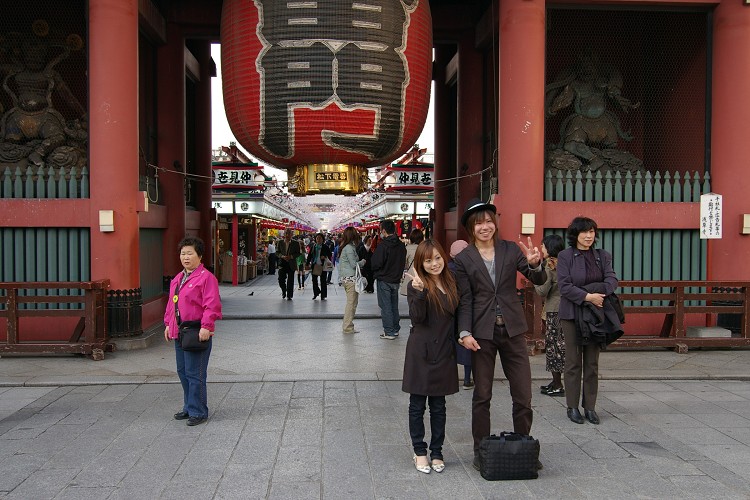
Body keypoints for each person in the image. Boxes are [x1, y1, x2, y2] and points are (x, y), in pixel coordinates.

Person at [453, 198, 547, 471]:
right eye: (479, 223)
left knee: (523, 394)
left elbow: (537, 280)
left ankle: (524, 445)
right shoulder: (464, 259)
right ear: (471, 227)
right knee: (482, 394)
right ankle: (480, 449)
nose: (485, 227)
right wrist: (464, 332)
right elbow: (465, 300)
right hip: (481, 334)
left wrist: (535, 265)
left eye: (489, 221)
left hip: (513, 330)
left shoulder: (510, 250)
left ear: (495, 223)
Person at [557, 217, 622, 425]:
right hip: (572, 314)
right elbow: (564, 286)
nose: (588, 236)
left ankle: (590, 407)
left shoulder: (602, 256)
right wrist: (587, 296)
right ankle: (572, 406)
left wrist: (593, 294)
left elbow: (611, 281)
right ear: (575, 235)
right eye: (584, 232)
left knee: (592, 363)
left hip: (596, 314)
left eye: (592, 232)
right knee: (573, 361)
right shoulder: (565, 256)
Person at [403, 239, 460, 474]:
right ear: (420, 263)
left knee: (439, 405)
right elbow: (417, 318)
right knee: (417, 405)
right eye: (428, 260)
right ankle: (419, 451)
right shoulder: (417, 285)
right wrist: (419, 293)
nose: (434, 263)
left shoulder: (451, 281)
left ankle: (437, 451)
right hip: (421, 350)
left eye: (437, 258)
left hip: (444, 350)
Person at [163, 237, 222, 426]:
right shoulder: (178, 278)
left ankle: (199, 411)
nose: (185, 257)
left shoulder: (206, 278)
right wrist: (168, 324)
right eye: (182, 253)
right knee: (183, 371)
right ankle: (189, 406)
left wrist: (207, 326)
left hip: (196, 331)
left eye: (190, 253)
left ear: (200, 255)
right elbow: (172, 305)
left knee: (195, 373)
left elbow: (211, 305)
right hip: (180, 332)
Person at [535, 234, 566, 397]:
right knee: (561, 347)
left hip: (553, 311)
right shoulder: (566, 263)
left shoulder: (549, 264)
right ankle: (555, 382)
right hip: (566, 309)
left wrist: (534, 278)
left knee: (554, 348)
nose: (541, 249)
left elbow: (542, 290)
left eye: (543, 246)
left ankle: (558, 384)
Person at [371, 220, 406, 340]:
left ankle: (389, 331)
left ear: (384, 231)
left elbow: (376, 263)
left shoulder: (384, 245)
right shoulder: (401, 245)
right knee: (394, 305)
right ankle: (395, 329)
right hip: (395, 280)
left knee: (385, 306)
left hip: (384, 279)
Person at [448, 239, 472, 389]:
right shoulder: (471, 269)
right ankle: (467, 379)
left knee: (451, 343)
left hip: (451, 311)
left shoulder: (447, 269)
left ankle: (450, 376)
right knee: (467, 342)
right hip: (468, 310)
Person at [338, 227, 365, 334]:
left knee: (352, 303)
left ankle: (348, 325)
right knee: (351, 303)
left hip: (348, 278)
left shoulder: (347, 247)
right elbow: (354, 264)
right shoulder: (349, 248)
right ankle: (347, 326)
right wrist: (363, 262)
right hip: (350, 279)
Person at [276, 229, 301, 300]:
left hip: (291, 263)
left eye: (289, 234)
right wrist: (282, 256)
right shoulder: (280, 242)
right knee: (281, 279)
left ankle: (289, 295)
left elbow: (298, 253)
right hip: (282, 263)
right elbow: (277, 252)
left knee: (290, 280)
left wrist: (291, 256)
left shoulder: (296, 243)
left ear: (291, 235)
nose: (287, 235)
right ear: (284, 234)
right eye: (286, 233)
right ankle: (284, 290)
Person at [400, 228, 425, 296]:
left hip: (412, 275)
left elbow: (403, 262)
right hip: (424, 274)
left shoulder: (408, 248)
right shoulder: (424, 248)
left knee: (412, 297)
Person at [307, 233, 332, 300]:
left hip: (323, 266)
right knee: (314, 280)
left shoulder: (325, 247)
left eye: (320, 238)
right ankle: (316, 292)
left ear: (323, 239)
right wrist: (307, 264)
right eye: (317, 238)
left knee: (323, 281)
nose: (318, 239)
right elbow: (309, 256)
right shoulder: (313, 246)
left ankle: (323, 295)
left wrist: (325, 256)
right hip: (315, 265)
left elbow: (330, 255)